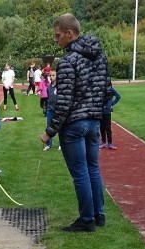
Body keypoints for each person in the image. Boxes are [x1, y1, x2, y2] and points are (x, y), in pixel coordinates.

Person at [40, 13, 110, 232]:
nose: (56, 40)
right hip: (93, 121)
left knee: (80, 172)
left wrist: (50, 132)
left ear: (70, 33)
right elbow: (106, 90)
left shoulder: (69, 61)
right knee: (93, 169)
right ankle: (98, 215)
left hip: (75, 125)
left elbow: (64, 101)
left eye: (58, 35)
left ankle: (86, 219)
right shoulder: (100, 57)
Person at [100, 81, 121, 150]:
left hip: (107, 111)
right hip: (100, 111)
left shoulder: (111, 90)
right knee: (101, 127)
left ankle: (110, 143)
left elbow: (118, 96)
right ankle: (103, 142)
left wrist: (111, 104)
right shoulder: (101, 89)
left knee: (107, 127)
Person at [42, 69, 59, 151]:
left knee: (59, 128)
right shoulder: (48, 87)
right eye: (50, 75)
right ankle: (49, 144)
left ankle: (61, 144)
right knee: (49, 127)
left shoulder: (59, 87)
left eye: (53, 75)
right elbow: (48, 98)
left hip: (58, 110)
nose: (51, 77)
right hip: (50, 110)